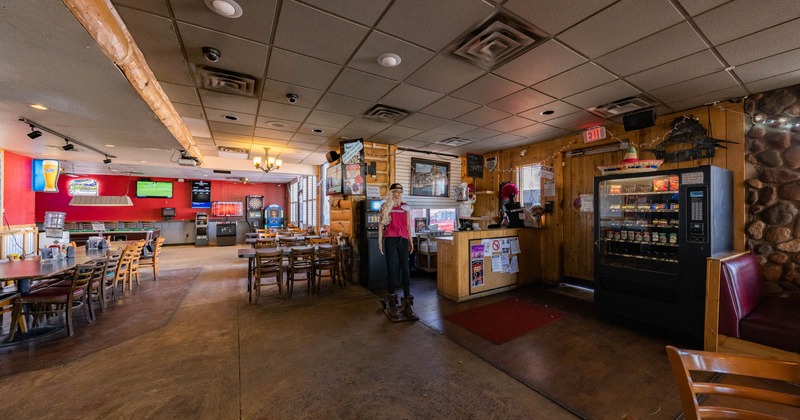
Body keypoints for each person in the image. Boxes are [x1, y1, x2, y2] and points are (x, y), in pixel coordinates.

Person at [378, 183, 415, 319]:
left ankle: (407, 301)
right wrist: (379, 242)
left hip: (403, 239)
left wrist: (411, 241)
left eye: (400, 191)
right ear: (391, 193)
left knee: (405, 270)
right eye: (395, 191)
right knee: (392, 269)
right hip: (390, 239)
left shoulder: (405, 206)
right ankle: (392, 300)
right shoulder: (385, 207)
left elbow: (408, 225)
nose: (398, 194)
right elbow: (381, 225)